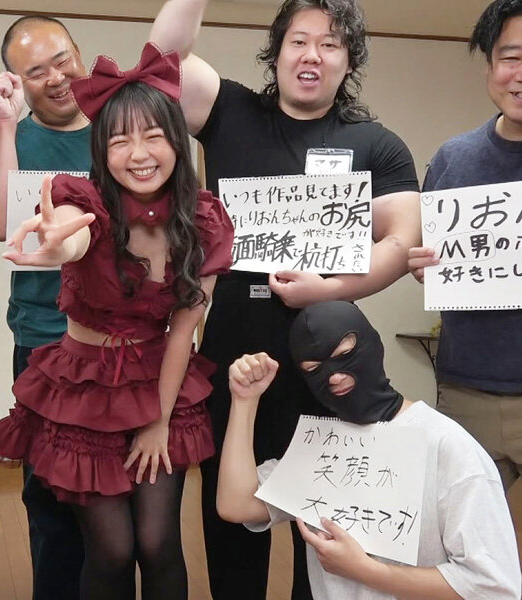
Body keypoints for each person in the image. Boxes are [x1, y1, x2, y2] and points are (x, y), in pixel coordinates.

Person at [149, 1, 421, 597]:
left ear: (349, 59)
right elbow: (163, 56)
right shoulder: (230, 111)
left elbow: (402, 241)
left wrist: (330, 288)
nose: (311, 55)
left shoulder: (376, 144)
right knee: (231, 513)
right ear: (277, 51)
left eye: (330, 44)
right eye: (299, 41)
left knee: (321, 522)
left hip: (327, 358)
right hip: (233, 347)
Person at [0, 43, 234, 600]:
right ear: (102, 149)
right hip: (86, 388)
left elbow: (183, 331)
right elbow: (72, 232)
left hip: (160, 379)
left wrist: (157, 421)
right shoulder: (87, 201)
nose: (138, 153)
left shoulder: (203, 222)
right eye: (120, 140)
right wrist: (57, 242)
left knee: (159, 543)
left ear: (178, 142)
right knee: (112, 550)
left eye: (154, 136)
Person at [217, 301, 522, 599]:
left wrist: (366, 571)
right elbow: (236, 504)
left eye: (344, 355)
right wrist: (244, 400)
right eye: (314, 369)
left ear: (373, 344)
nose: (334, 376)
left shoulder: (447, 445)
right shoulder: (320, 447)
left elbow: (494, 586)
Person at [407, 0, 522, 590]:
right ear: (489, 66)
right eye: (512, 56)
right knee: (462, 558)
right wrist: (425, 266)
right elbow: (435, 256)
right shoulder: (453, 159)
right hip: (465, 391)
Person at [0, 15, 90, 598]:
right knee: (49, 495)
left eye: (62, 59)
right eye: (36, 72)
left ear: (79, 53)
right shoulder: (13, 138)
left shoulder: (123, 127)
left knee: (121, 500)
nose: (56, 78)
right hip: (44, 341)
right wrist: (2, 123)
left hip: (124, 342)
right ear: (18, 82)